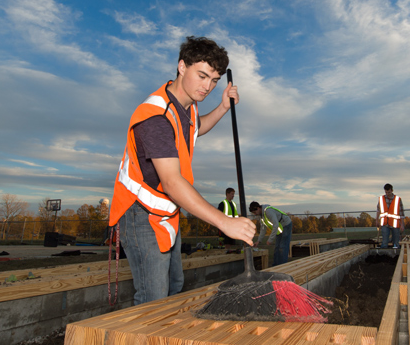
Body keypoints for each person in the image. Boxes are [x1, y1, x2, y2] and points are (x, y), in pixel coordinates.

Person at [108, 36, 257, 306]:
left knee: (174, 285)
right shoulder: (155, 116)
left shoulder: (185, 106)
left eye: (214, 80)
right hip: (140, 215)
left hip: (166, 212)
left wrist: (223, 107)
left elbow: (195, 129)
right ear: (181, 66)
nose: (207, 86)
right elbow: (173, 183)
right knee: (153, 298)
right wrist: (225, 222)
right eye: (202, 76)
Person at [249, 201, 293, 266]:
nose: (255, 214)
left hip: (286, 224)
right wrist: (258, 241)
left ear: (258, 208)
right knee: (277, 247)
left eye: (255, 212)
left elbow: (275, 225)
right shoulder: (261, 216)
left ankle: (283, 266)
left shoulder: (268, 211)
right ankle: (276, 265)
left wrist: (270, 239)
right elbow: (263, 229)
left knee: (283, 247)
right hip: (279, 227)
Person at [376, 184, 404, 249]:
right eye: (386, 192)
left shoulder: (398, 199)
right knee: (384, 242)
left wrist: (402, 224)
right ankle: (384, 254)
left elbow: (401, 213)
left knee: (395, 243)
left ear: (392, 190)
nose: (387, 194)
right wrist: (377, 220)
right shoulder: (381, 199)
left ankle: (396, 255)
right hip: (385, 223)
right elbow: (378, 210)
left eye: (388, 192)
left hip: (395, 224)